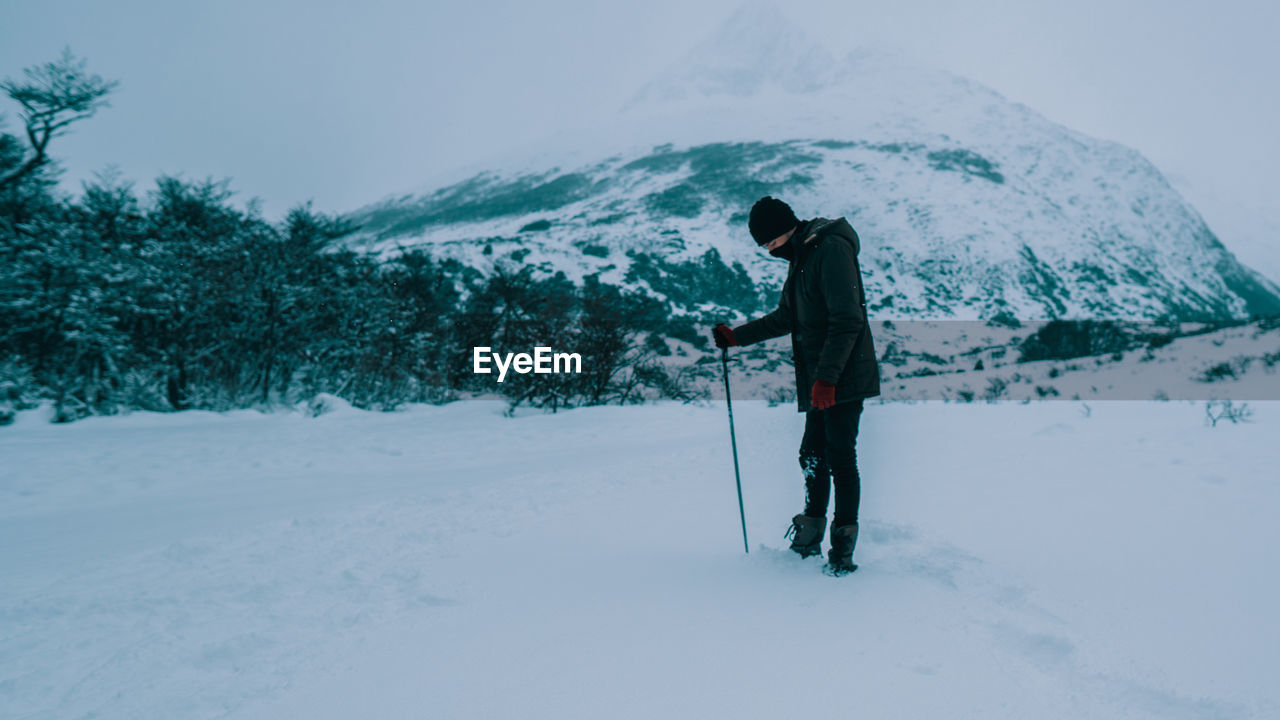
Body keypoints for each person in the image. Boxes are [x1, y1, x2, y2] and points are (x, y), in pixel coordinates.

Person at [712, 196, 880, 574]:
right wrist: (736, 337)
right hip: (820, 379)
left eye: (771, 243)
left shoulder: (831, 250)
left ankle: (842, 551)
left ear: (786, 229)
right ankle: (809, 536)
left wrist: (827, 379)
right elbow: (786, 317)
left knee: (839, 457)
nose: (771, 251)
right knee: (811, 456)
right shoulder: (803, 257)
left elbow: (847, 320)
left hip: (843, 378)